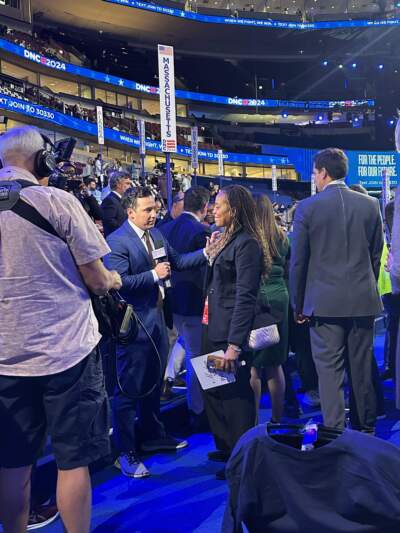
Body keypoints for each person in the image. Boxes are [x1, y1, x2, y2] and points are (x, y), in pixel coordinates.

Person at [0, 126, 122, 533]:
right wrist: (115, 281)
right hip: (68, 354)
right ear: (41, 161)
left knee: (13, 465)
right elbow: (98, 279)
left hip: (5, 360)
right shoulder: (57, 201)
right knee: (73, 461)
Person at [104, 186, 208, 478]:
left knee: (152, 382)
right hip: (132, 327)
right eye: (147, 210)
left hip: (159, 321)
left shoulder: (158, 235)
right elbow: (117, 282)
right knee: (127, 390)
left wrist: (207, 252)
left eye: (155, 208)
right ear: (130, 211)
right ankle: (125, 451)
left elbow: (179, 262)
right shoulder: (117, 241)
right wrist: (153, 275)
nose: (154, 214)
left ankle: (152, 435)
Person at [290, 148, 384, 432]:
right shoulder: (370, 205)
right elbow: (376, 255)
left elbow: (298, 263)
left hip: (322, 305)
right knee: (361, 370)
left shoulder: (307, 207)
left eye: (315, 173)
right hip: (363, 300)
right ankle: (365, 430)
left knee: (329, 373)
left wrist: (299, 304)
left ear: (323, 173)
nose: (315, 178)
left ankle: (334, 432)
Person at [202, 185, 269, 478]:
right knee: (215, 391)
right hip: (213, 326)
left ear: (235, 210)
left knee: (235, 398)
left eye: (219, 205)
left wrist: (234, 345)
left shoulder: (247, 244)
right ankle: (230, 447)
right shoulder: (224, 240)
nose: (213, 209)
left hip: (230, 332)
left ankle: (243, 460)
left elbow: (245, 297)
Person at [159, 186, 211, 424]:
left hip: (171, 300)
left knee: (185, 343)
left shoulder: (164, 228)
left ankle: (168, 379)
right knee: (197, 355)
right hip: (195, 301)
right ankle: (198, 409)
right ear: (205, 207)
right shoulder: (203, 232)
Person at [250, 193, 289, 424]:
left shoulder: (248, 238)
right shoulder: (283, 237)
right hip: (280, 298)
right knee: (275, 364)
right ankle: (277, 419)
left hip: (257, 300)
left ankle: (253, 421)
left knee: (254, 367)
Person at [101, 171, 132, 237]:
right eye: (127, 183)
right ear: (118, 184)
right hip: (117, 240)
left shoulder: (124, 200)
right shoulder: (109, 200)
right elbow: (110, 223)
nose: (130, 186)